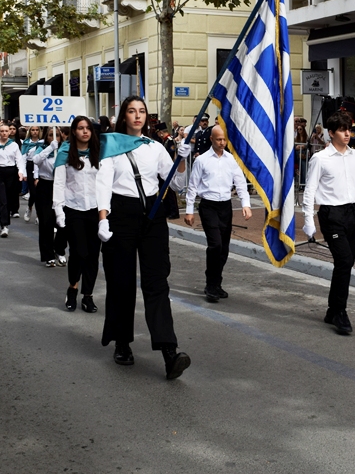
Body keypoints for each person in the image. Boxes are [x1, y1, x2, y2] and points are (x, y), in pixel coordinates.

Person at [96, 96, 190, 380]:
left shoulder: (156, 147)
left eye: (142, 112)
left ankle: (169, 351)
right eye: (131, 111)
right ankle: (122, 342)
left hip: (152, 216)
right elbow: (103, 183)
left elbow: (177, 183)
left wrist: (182, 159)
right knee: (121, 282)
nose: (137, 116)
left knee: (157, 282)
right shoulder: (110, 145)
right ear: (123, 116)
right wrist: (102, 219)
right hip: (120, 215)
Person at [302, 110, 355, 335]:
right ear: (331, 133)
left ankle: (332, 309)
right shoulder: (320, 159)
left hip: (352, 213)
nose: (348, 133)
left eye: (349, 129)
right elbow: (309, 191)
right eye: (342, 130)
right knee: (344, 260)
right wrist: (308, 220)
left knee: (346, 264)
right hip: (331, 214)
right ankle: (340, 311)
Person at [184, 124, 252, 302]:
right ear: (211, 139)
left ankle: (217, 283)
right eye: (219, 139)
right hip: (208, 206)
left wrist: (246, 204)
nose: (222, 143)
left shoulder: (231, 160)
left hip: (225, 207)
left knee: (224, 248)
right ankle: (210, 285)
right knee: (215, 245)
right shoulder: (202, 160)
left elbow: (240, 183)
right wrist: (189, 210)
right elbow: (192, 186)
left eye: (224, 139)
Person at [54, 116, 102, 312]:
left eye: (88, 128)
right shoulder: (65, 153)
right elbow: (59, 183)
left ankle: (88, 295)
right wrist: (59, 211)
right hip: (73, 209)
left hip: (95, 210)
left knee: (92, 255)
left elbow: (105, 182)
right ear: (74, 131)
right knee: (79, 252)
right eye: (80, 128)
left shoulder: (99, 153)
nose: (85, 132)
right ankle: (73, 287)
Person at [32, 127, 69, 267]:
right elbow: (35, 160)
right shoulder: (41, 148)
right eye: (50, 135)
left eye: (57, 135)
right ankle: (48, 255)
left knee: (63, 222)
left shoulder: (65, 149)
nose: (54, 138)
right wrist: (49, 149)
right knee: (46, 222)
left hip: (61, 187)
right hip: (45, 186)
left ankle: (60, 250)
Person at [0, 122, 24, 238]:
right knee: (2, 199)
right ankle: (4, 225)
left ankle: (4, 218)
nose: (5, 133)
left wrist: (21, 172)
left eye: (7, 131)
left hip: (11, 172)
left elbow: (19, 160)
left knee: (9, 197)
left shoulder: (14, 145)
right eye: (2, 131)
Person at [21, 126, 44, 222]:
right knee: (33, 192)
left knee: (39, 193)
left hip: (40, 166)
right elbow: (23, 158)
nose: (35, 132)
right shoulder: (26, 143)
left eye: (37, 130)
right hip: (30, 166)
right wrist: (24, 173)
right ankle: (30, 208)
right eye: (33, 130)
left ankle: (39, 215)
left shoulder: (42, 143)